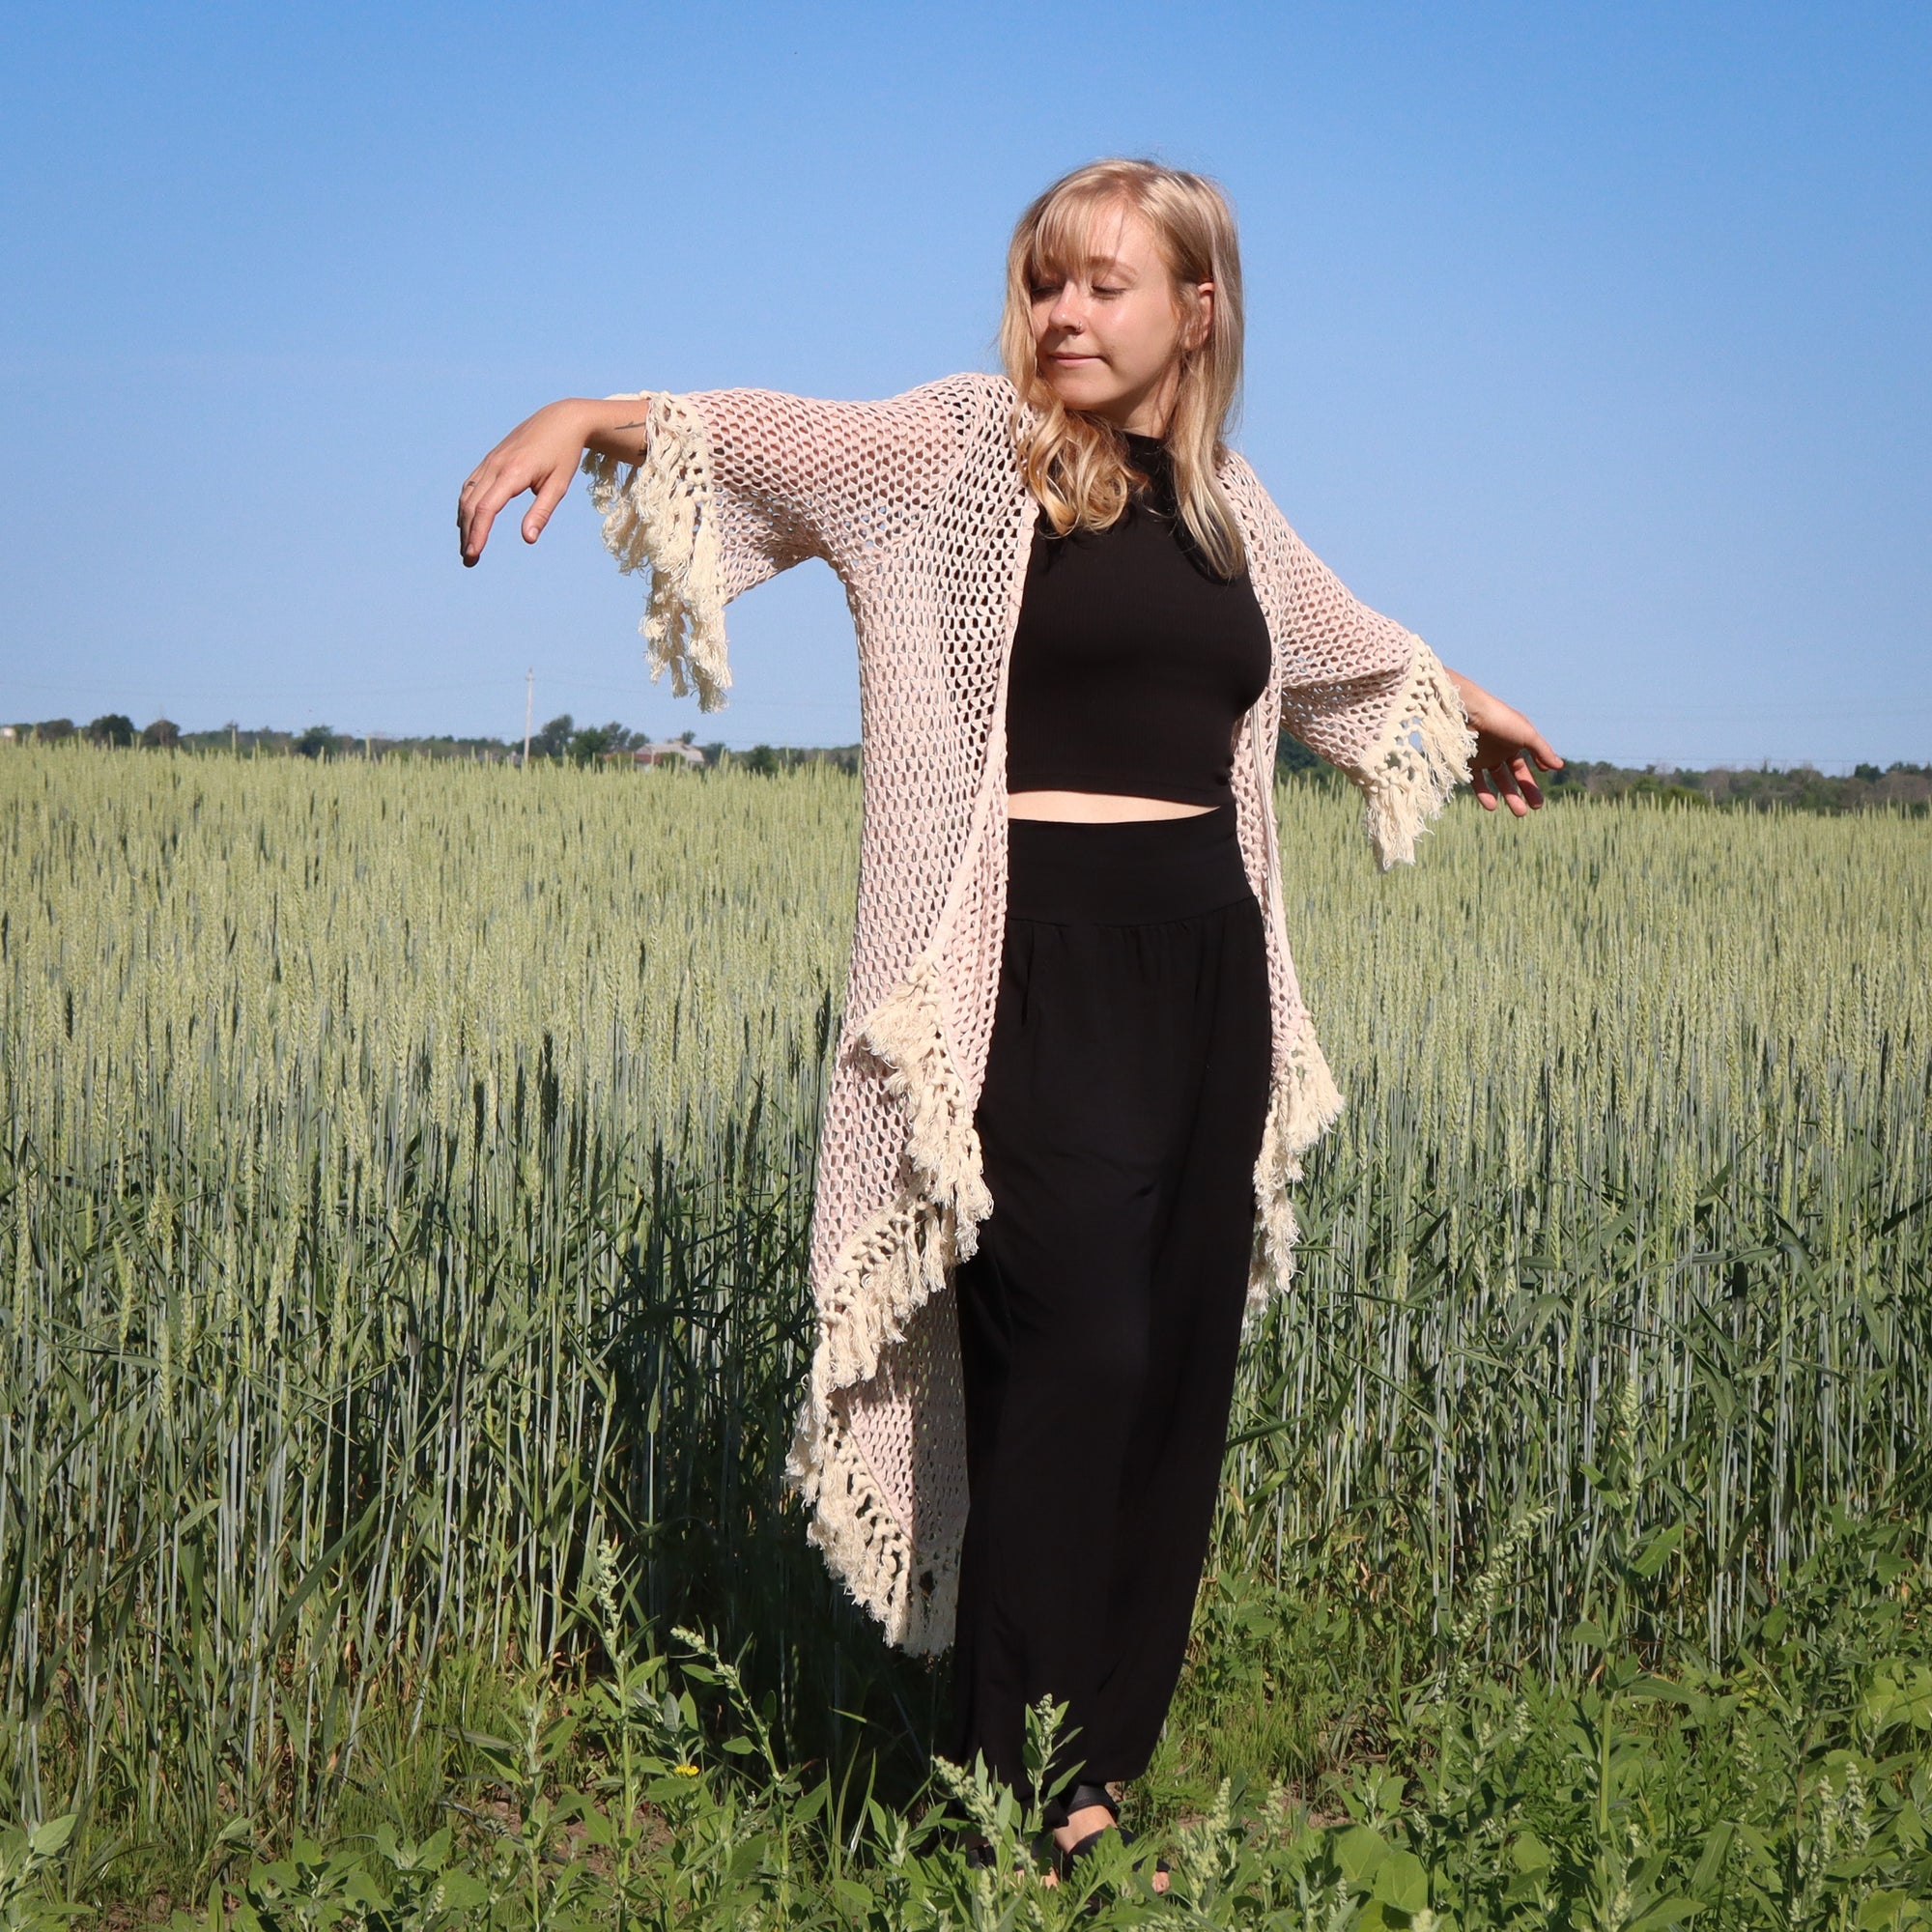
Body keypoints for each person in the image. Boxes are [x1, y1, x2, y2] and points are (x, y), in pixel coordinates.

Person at [457, 156, 1560, 1889]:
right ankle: (1021, 1784)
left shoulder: (1225, 509)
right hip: (1017, 981)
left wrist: (1458, 711)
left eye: (1104, 283)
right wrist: (591, 415)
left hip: (1211, 981)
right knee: (1072, 1362)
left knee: (1176, 1376)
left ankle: (1099, 1767)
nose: (1062, 310)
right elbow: (773, 442)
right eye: (1046, 279)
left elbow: (1336, 653)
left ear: (1196, 311)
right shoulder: (963, 456)